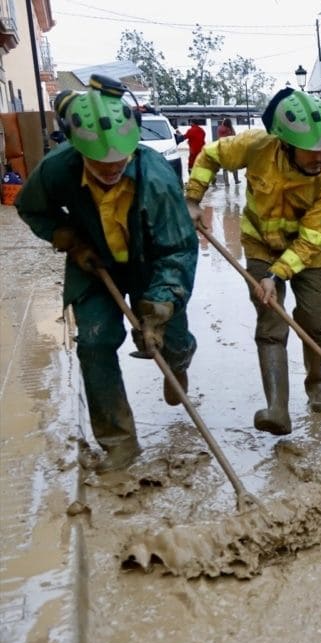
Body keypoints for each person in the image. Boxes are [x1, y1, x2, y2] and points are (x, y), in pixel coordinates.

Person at [16, 77, 198, 472]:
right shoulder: (56, 171)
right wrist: (66, 237)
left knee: (172, 341)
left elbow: (179, 248)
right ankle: (119, 443)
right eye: (102, 160)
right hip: (93, 262)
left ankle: (179, 363)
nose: (115, 164)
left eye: (122, 157)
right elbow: (30, 209)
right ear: (79, 150)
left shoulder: (156, 177)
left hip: (151, 262)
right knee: (95, 342)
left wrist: (161, 303)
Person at [185, 87, 321, 436]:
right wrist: (194, 198)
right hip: (259, 244)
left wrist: (278, 273)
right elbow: (210, 156)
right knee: (271, 320)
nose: (319, 156)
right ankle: (277, 408)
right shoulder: (257, 146)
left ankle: (316, 384)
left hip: (308, 252)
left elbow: (312, 237)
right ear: (285, 144)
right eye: (310, 150)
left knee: (314, 320)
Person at [215, 118, 238, 185]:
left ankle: (226, 183)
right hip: (231, 149)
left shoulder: (220, 128)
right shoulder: (231, 129)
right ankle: (236, 180)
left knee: (224, 168)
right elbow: (235, 137)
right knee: (234, 165)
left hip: (222, 148)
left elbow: (219, 137)